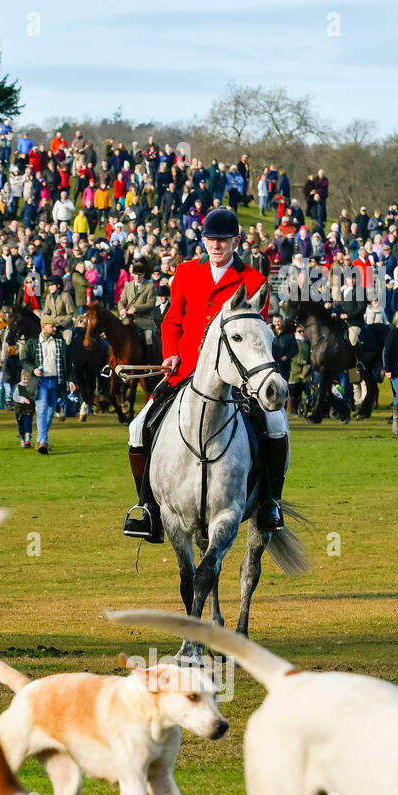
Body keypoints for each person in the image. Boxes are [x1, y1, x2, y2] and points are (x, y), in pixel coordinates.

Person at [123, 206, 287, 543]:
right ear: (203, 240)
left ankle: (269, 501)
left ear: (235, 241)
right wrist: (169, 352)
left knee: (276, 424)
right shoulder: (185, 273)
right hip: (183, 371)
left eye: (223, 240)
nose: (217, 245)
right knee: (138, 427)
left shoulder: (253, 282)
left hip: (236, 382)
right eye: (211, 239)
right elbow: (171, 321)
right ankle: (148, 508)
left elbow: (257, 337)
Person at [20, 319, 70, 452]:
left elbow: (68, 362)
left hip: (55, 381)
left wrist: (70, 380)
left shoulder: (59, 342)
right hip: (40, 381)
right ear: (43, 326)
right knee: (41, 410)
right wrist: (33, 369)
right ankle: (43, 442)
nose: (54, 329)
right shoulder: (33, 343)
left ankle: (40, 439)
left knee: (50, 412)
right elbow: (24, 360)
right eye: (51, 326)